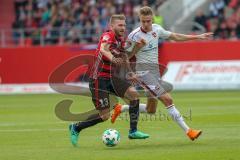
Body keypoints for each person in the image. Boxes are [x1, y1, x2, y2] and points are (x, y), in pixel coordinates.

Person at [111, 6, 213, 141]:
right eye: (143, 21)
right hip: (143, 73)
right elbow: (126, 56)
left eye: (148, 21)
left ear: (152, 19)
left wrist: (197, 36)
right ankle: (189, 131)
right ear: (139, 20)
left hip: (154, 73)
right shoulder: (134, 36)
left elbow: (175, 36)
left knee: (151, 110)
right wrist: (138, 47)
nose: (146, 24)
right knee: (168, 99)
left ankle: (121, 108)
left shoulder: (157, 29)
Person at [69, 14, 149, 147]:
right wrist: (112, 58)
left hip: (112, 78)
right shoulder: (108, 36)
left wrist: (137, 49)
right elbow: (103, 49)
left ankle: (133, 131)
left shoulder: (120, 40)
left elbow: (125, 57)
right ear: (111, 26)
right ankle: (76, 127)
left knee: (134, 95)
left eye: (124, 25)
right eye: (120, 25)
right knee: (105, 116)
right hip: (98, 79)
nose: (123, 27)